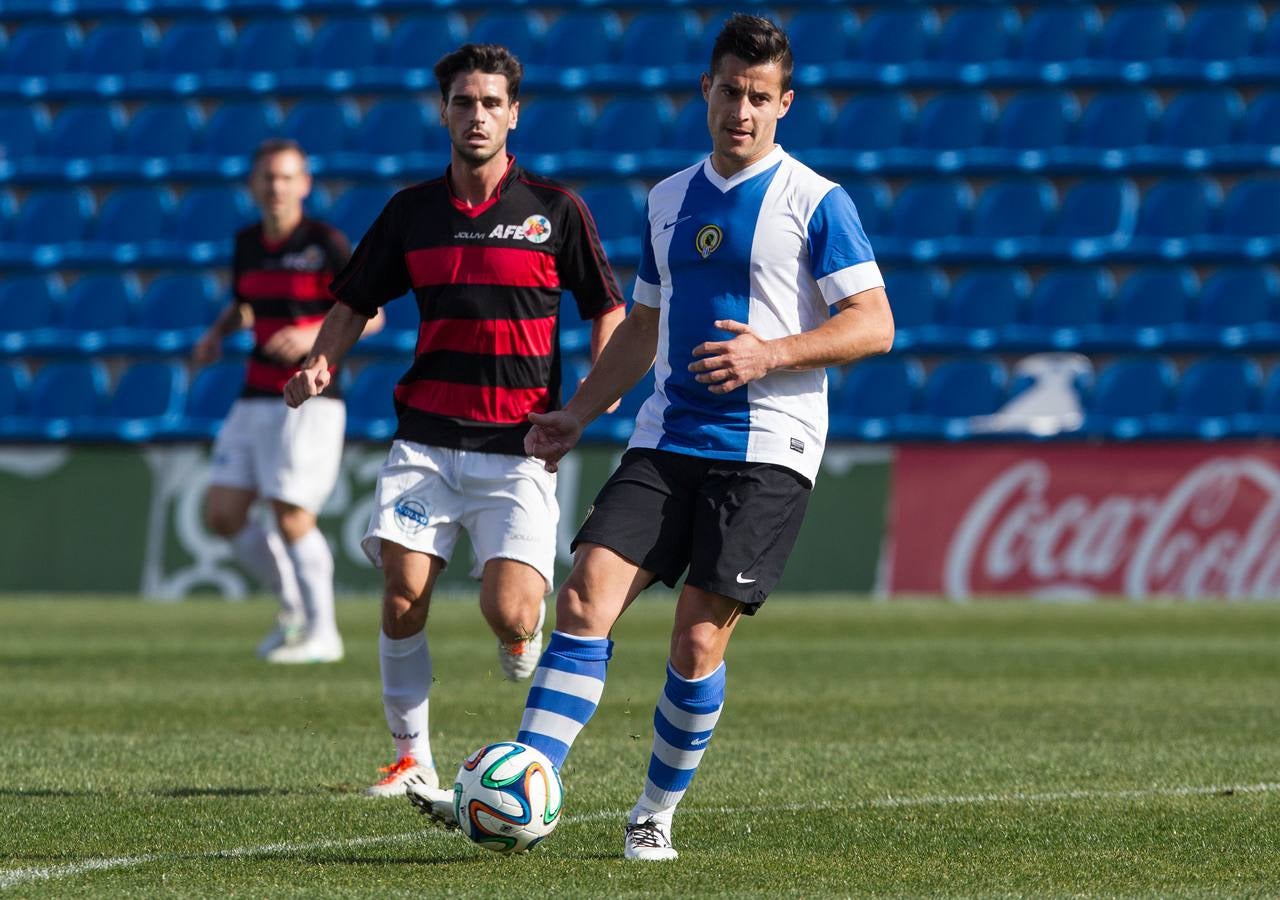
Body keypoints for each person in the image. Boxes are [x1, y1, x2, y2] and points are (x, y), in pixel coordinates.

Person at [409, 14, 895, 859]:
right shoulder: (667, 199)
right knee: (582, 598)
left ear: (785, 103)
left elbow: (876, 323)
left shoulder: (817, 202)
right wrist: (577, 413)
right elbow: (641, 327)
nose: (741, 110)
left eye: (759, 97)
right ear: (704, 90)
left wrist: (771, 353)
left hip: (768, 449)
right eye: (729, 91)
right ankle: (521, 782)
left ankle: (652, 812)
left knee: (698, 637)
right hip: (667, 438)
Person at [283, 44, 625, 799]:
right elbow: (353, 302)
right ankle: (413, 760)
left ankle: (521, 633)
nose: (477, 116)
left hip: (519, 445)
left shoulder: (554, 210)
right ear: (444, 112)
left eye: (491, 103)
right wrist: (321, 361)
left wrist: (594, 399)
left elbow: (608, 308)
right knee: (402, 593)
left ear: (514, 114)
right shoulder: (412, 213)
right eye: (464, 103)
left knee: (507, 613)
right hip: (427, 440)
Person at [195, 138, 384, 665]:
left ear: (304, 184)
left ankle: (325, 634)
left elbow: (373, 315)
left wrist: (309, 336)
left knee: (291, 513)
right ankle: (294, 609)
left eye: (286, 177)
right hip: (255, 393)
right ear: (254, 185)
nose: (276, 186)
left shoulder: (325, 243)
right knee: (224, 514)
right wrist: (216, 334)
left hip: (311, 396)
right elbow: (246, 306)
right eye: (267, 178)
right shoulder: (247, 244)